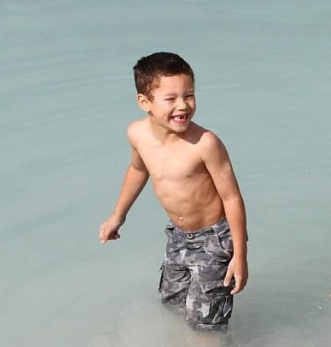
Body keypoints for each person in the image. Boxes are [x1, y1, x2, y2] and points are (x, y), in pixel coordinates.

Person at [99, 52, 248, 330]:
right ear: (145, 102)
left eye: (189, 95)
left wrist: (240, 256)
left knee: (206, 323)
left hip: (214, 240)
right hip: (178, 237)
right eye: (171, 99)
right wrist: (118, 216)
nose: (183, 105)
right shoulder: (137, 134)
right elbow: (138, 170)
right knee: (172, 304)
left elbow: (232, 198)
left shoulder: (205, 143)